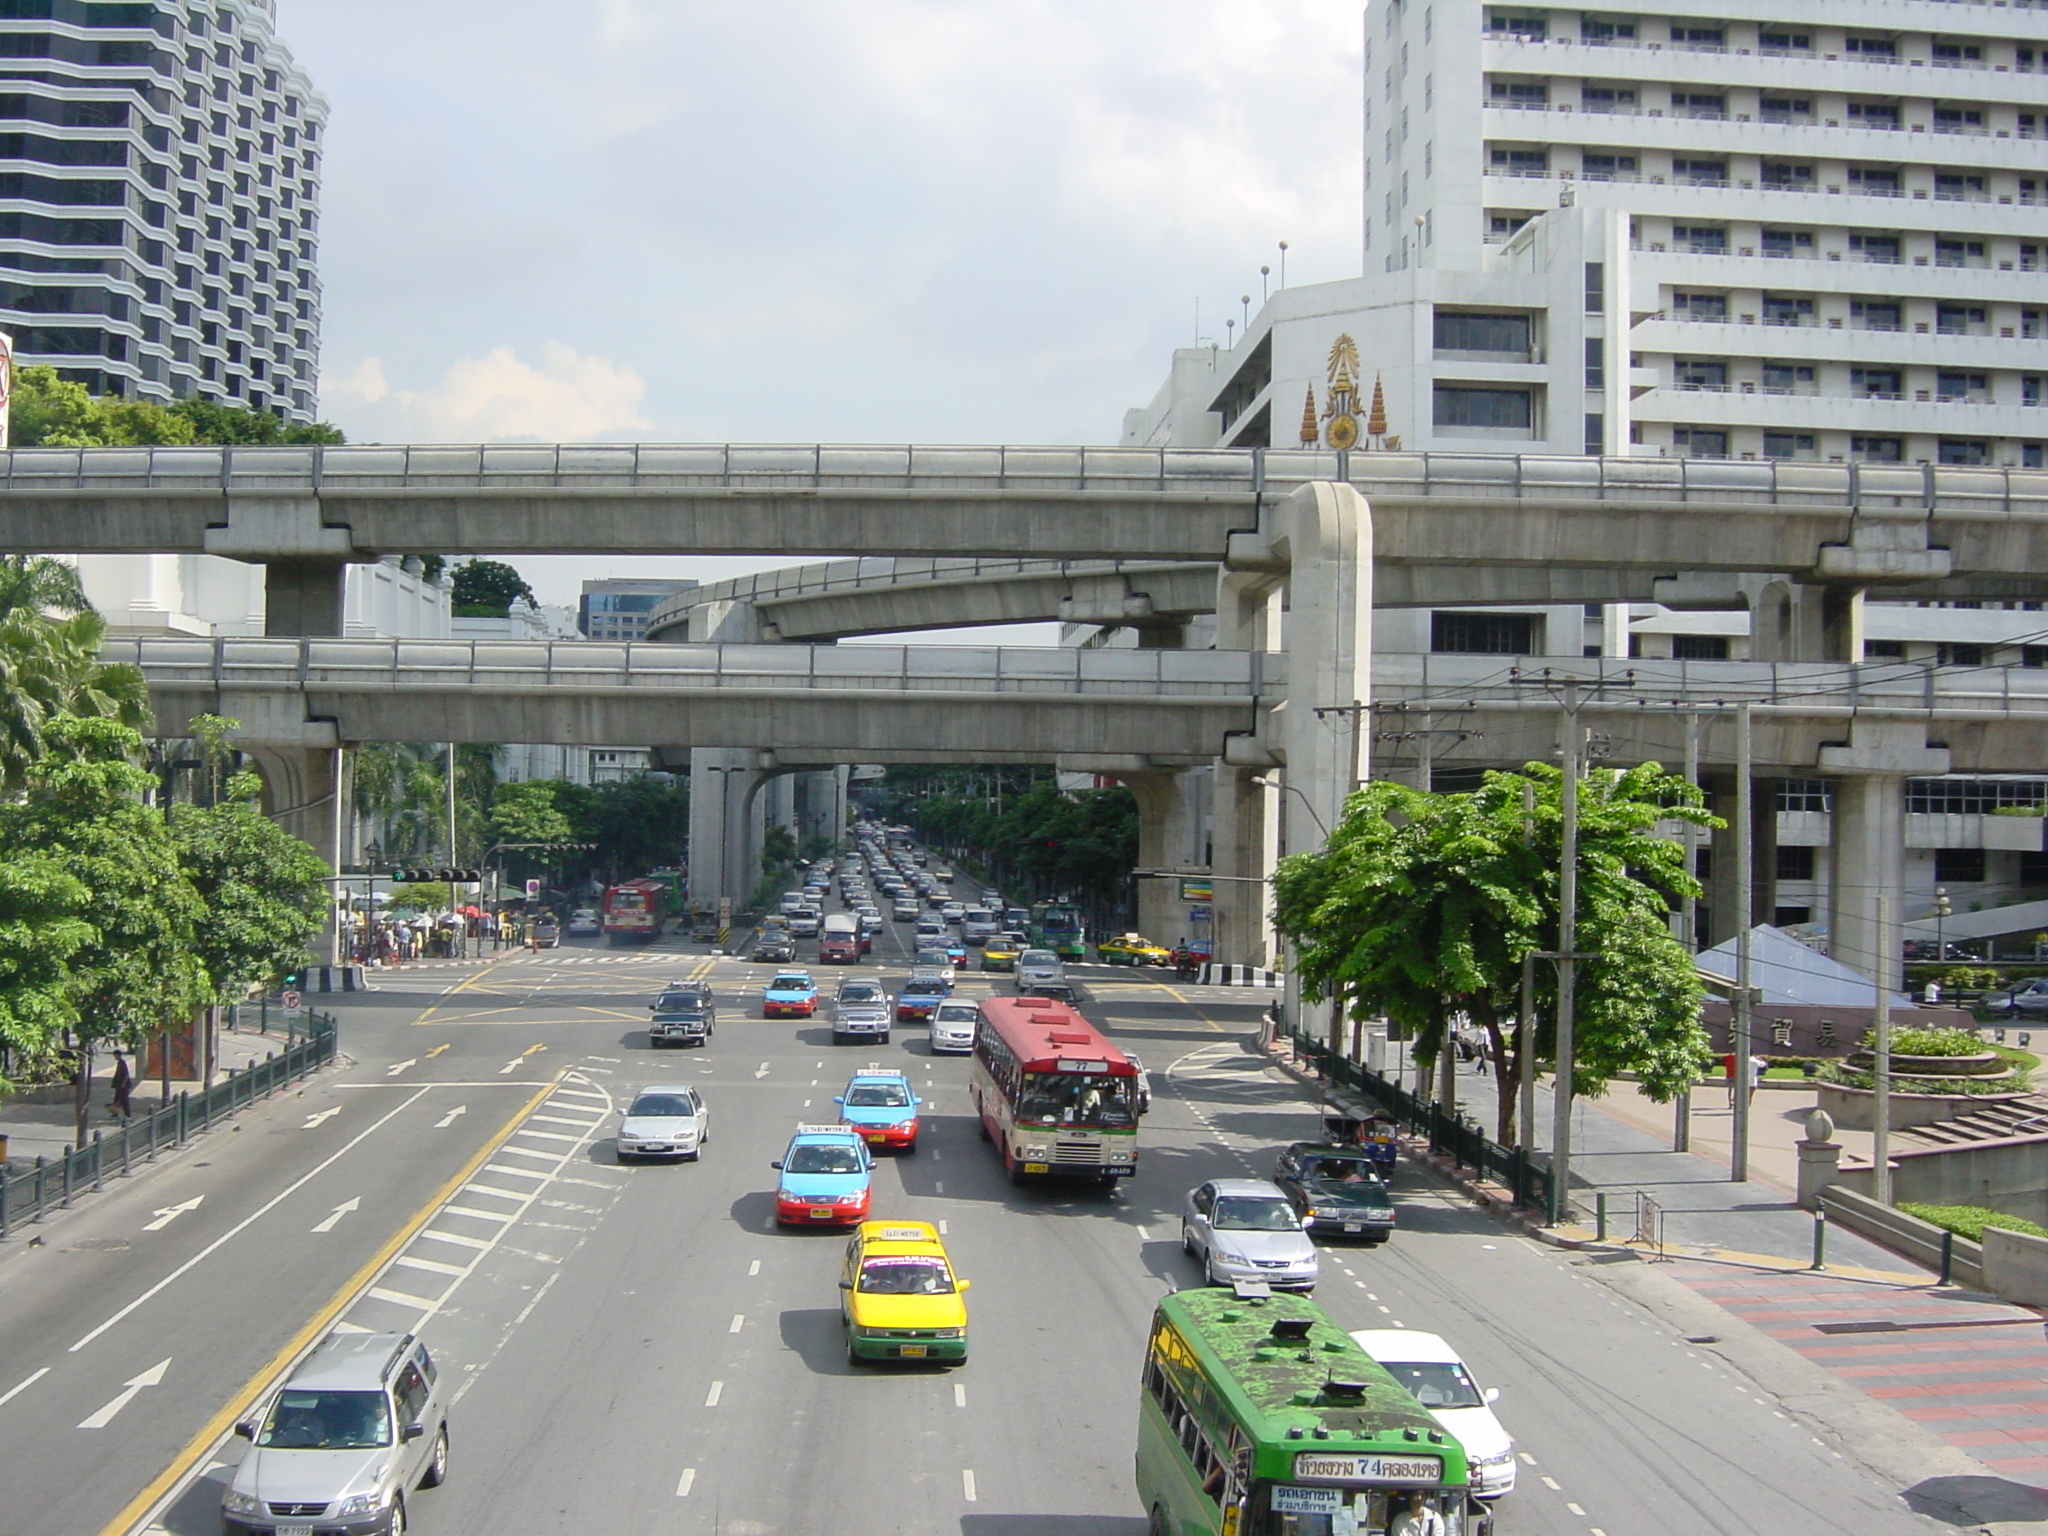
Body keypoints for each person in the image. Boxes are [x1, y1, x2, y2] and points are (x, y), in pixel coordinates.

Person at [108, 1052, 134, 1119]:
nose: (115, 1057)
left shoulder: (122, 1063)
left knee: (124, 1100)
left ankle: (128, 1115)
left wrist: (123, 1084)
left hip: (123, 1086)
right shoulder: (119, 1063)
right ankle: (115, 1113)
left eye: (115, 1056)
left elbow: (126, 1074)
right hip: (119, 1085)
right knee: (117, 1099)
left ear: (118, 1055)